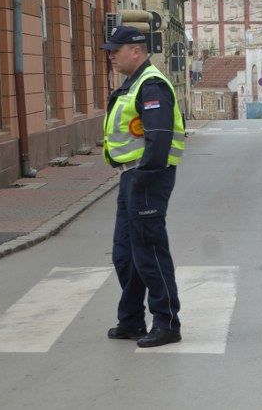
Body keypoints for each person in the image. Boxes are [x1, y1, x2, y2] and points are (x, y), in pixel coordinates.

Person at [101, 26, 186, 348]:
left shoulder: (151, 85)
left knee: (149, 251)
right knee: (125, 254)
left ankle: (166, 322)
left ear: (136, 50)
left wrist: (145, 177)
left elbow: (159, 136)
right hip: (131, 176)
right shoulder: (133, 84)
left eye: (116, 49)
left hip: (148, 176)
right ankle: (132, 319)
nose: (111, 55)